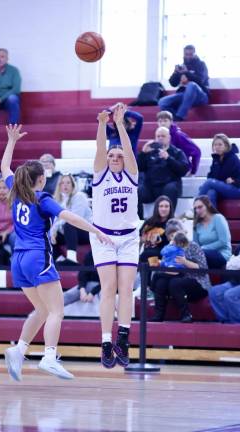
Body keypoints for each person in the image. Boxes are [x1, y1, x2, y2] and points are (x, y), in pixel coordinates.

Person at [1, 124, 111, 382]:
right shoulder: (42, 198)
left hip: (17, 260)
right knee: (56, 311)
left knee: (41, 310)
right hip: (37, 257)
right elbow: (70, 216)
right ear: (41, 179)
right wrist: (96, 231)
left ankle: (19, 350)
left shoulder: (16, 192)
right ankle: (49, 356)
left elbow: (5, 168)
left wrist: (11, 141)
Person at [90, 103, 139, 369]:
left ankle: (124, 337)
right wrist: (101, 124)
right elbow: (100, 149)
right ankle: (106, 342)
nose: (115, 158)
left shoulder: (132, 175)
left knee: (127, 289)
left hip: (129, 237)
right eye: (112, 156)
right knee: (109, 288)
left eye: (118, 155)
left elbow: (129, 151)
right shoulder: (100, 176)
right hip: (104, 237)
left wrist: (119, 124)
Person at [151, 219, 210, 322]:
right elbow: (167, 267)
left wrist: (185, 262)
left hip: (197, 282)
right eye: (171, 236)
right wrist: (160, 264)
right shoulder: (169, 249)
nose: (174, 238)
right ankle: (158, 314)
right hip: (176, 278)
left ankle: (186, 315)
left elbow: (203, 269)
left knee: (175, 283)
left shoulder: (193, 246)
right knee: (161, 282)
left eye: (176, 234)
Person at [209, 212, 240, 324]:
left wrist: (233, 263)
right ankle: (228, 323)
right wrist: (233, 263)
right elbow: (230, 264)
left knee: (231, 295)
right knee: (214, 292)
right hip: (239, 282)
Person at [137, 126, 189, 214]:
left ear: (169, 138)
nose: (160, 138)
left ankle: (168, 220)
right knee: (137, 191)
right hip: (151, 188)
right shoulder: (149, 151)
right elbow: (138, 168)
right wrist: (143, 153)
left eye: (163, 136)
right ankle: (139, 221)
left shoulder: (177, 152)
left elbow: (183, 170)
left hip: (168, 186)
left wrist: (168, 158)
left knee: (170, 188)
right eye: (158, 136)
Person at [158, 45, 209, 121]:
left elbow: (201, 80)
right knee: (162, 102)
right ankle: (174, 118)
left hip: (200, 96)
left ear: (195, 54)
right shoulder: (182, 66)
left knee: (191, 85)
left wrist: (187, 73)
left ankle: (180, 116)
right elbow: (173, 83)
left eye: (190, 54)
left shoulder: (201, 65)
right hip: (184, 95)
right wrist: (176, 73)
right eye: (186, 54)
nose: (188, 56)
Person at [198, 134, 240, 207]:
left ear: (226, 146)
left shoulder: (233, 158)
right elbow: (212, 177)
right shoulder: (216, 160)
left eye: (220, 145)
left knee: (209, 183)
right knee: (211, 192)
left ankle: (194, 209)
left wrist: (234, 181)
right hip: (226, 188)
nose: (217, 147)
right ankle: (213, 217)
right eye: (215, 145)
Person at [51, 174, 92, 263]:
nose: (65, 185)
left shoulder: (79, 196)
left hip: (86, 231)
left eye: (68, 183)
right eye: (62, 183)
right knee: (45, 232)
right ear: (59, 186)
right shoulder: (58, 201)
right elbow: (55, 221)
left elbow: (76, 219)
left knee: (69, 225)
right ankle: (59, 259)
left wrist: (55, 228)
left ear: (73, 185)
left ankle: (72, 259)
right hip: (68, 232)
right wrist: (52, 231)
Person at [156, 110, 201, 175]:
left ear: (171, 122)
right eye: (160, 121)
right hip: (165, 168)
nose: (162, 123)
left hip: (180, 167)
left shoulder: (179, 135)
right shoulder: (159, 135)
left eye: (165, 121)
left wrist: (193, 171)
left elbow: (196, 151)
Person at [193, 195, 231, 269]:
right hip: (203, 255)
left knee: (201, 254)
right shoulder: (197, 224)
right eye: (195, 208)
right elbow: (196, 245)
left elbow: (223, 241)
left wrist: (203, 248)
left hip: (222, 254)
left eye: (200, 207)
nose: (197, 210)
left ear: (208, 205)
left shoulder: (218, 218)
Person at [139, 195, 174, 263]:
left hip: (164, 256)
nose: (163, 209)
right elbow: (139, 240)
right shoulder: (149, 222)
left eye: (166, 206)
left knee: (145, 256)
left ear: (170, 208)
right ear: (157, 208)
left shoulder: (173, 223)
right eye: (161, 206)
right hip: (146, 256)